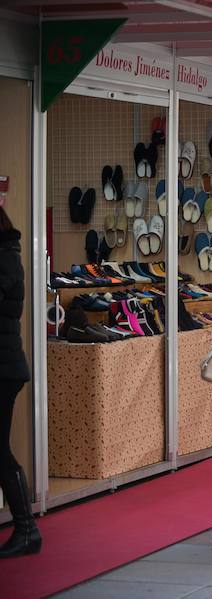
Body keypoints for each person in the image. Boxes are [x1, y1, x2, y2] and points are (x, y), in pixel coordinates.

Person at [0, 206, 39, 558]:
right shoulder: (8, 256)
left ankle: (27, 529)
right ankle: (26, 529)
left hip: (3, 368)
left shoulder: (5, 260)